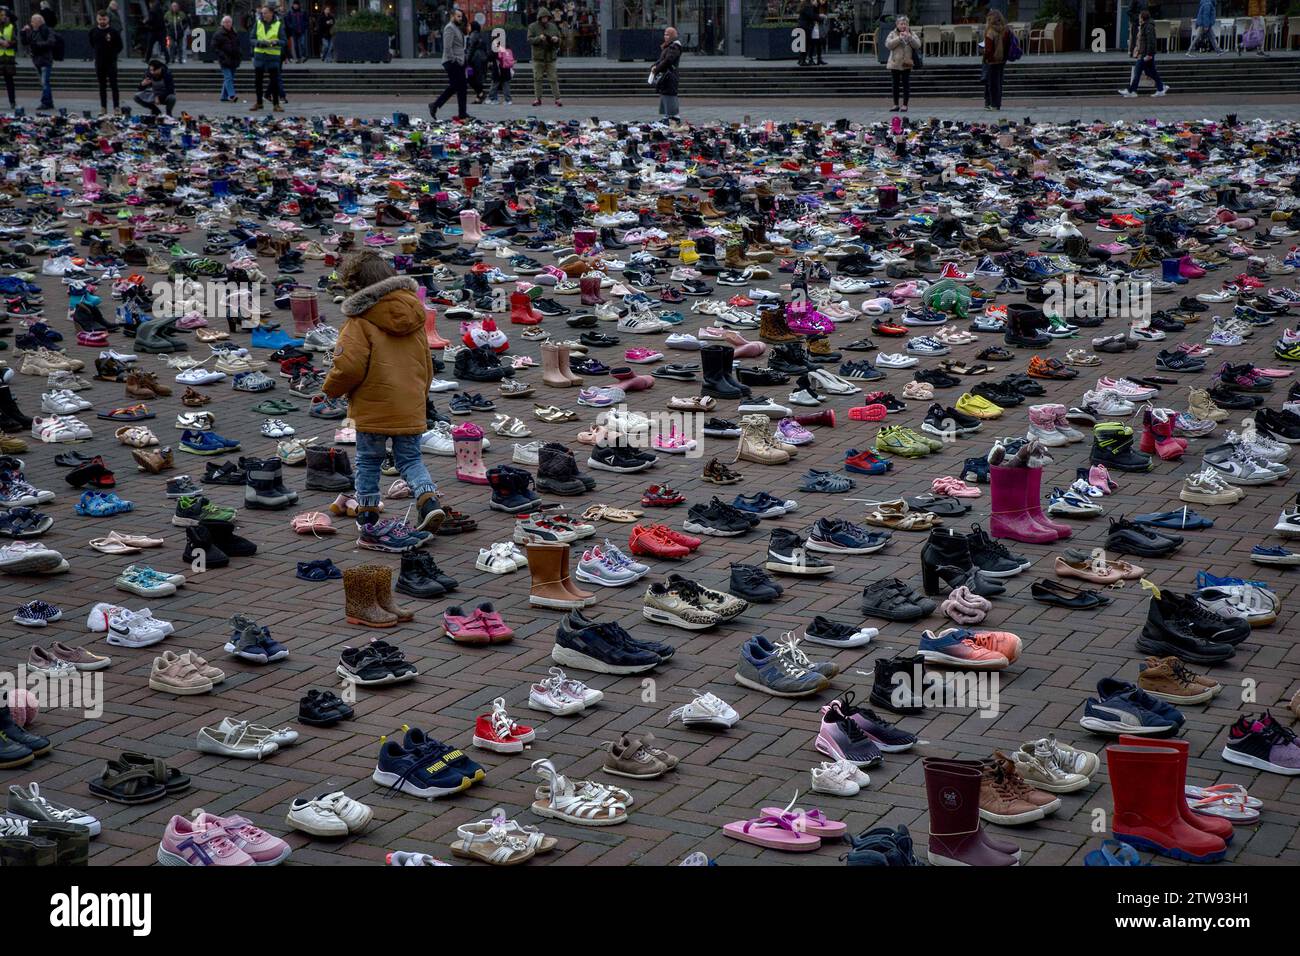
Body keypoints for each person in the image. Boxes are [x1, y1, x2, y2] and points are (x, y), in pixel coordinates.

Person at [321, 252, 445, 538]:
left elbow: (349, 367)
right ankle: (428, 501)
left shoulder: (359, 321)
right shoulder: (414, 314)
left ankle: (367, 513)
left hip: (373, 405)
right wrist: (419, 395)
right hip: (409, 401)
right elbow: (426, 365)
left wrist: (330, 390)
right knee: (410, 459)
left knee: (368, 459)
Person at [428, 7, 467, 120]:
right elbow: (447, 47)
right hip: (452, 62)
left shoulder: (457, 28)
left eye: (461, 16)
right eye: (458, 16)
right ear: (452, 16)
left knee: (461, 87)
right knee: (456, 86)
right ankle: (435, 105)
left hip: (459, 61)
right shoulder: (449, 28)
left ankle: (462, 113)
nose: (460, 18)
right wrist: (454, 60)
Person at [1120, 9, 1166, 96]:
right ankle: (1161, 87)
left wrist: (1148, 54)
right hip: (1144, 53)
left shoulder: (1148, 27)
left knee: (1137, 72)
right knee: (1150, 72)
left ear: (1143, 17)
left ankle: (1131, 91)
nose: (1139, 18)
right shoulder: (1145, 26)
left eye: (1140, 16)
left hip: (1145, 54)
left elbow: (1150, 41)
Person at [250, 4, 285, 112]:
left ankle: (276, 104)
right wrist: (259, 43)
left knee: (274, 81)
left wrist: (276, 42)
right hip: (260, 56)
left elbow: (284, 41)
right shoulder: (258, 23)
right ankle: (259, 102)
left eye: (265, 13)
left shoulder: (278, 24)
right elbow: (252, 38)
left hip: (272, 57)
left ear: (271, 13)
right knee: (258, 81)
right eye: (262, 13)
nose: (263, 15)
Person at [89, 9, 123, 114]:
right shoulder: (93, 31)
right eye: (100, 19)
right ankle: (103, 107)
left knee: (114, 85)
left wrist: (113, 54)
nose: (102, 21)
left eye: (104, 19)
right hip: (99, 63)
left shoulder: (114, 32)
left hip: (111, 62)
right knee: (102, 86)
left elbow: (120, 46)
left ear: (108, 19)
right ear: (97, 19)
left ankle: (116, 107)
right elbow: (92, 44)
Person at [885, 15, 919, 113]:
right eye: (901, 24)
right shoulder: (893, 33)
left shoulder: (911, 33)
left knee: (906, 84)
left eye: (905, 24)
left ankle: (905, 105)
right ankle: (895, 104)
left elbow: (918, 45)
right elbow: (888, 45)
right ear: (897, 25)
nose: (903, 26)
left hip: (906, 63)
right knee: (895, 84)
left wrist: (910, 38)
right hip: (895, 63)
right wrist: (899, 39)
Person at [527, 6, 561, 106]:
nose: (545, 19)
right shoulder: (532, 26)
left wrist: (557, 39)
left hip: (550, 57)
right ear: (539, 18)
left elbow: (559, 40)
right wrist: (539, 38)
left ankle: (557, 99)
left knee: (553, 78)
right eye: (543, 17)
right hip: (538, 57)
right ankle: (538, 99)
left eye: (546, 17)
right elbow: (529, 40)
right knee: (537, 78)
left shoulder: (553, 27)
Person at [22, 13, 54, 111]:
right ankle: (49, 102)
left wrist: (37, 45)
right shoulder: (33, 31)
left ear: (38, 21)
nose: (31, 23)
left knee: (45, 82)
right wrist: (24, 33)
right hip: (37, 60)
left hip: (45, 60)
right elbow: (26, 42)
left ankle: (45, 102)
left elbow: (51, 42)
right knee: (45, 82)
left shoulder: (47, 30)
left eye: (33, 21)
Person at [982, 8, 1011, 111]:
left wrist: (985, 58)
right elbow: (1008, 45)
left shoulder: (990, 31)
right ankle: (997, 104)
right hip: (1002, 60)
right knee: (998, 83)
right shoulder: (1005, 30)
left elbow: (988, 49)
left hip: (992, 60)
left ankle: (993, 105)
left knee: (992, 84)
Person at [650, 25, 681, 120]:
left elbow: (668, 60)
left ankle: (673, 117)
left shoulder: (674, 46)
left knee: (669, 95)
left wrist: (657, 68)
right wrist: (654, 66)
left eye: (667, 35)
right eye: (664, 34)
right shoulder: (668, 46)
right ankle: (667, 116)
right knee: (665, 94)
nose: (665, 36)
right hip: (666, 75)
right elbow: (661, 59)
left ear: (672, 35)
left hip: (669, 75)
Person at [214, 14, 240, 102]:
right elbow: (214, 47)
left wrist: (239, 54)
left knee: (229, 78)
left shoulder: (234, 33)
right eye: (225, 22)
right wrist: (221, 55)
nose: (228, 24)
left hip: (234, 59)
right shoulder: (218, 34)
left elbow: (237, 45)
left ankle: (223, 96)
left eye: (229, 22)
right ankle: (231, 95)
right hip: (224, 59)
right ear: (222, 23)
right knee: (228, 77)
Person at [466, 19, 488, 104]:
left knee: (470, 77)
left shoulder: (473, 35)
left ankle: (481, 93)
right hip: (482, 59)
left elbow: (470, 48)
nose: (468, 28)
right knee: (477, 78)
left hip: (474, 60)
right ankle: (479, 96)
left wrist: (467, 60)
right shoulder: (480, 35)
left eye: (469, 26)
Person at [488, 33, 513, 103]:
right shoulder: (506, 45)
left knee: (495, 84)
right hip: (506, 68)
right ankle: (508, 100)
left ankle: (492, 98)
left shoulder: (496, 46)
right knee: (505, 84)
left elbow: (490, 56)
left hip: (498, 68)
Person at [0, 7, 17, 111]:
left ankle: (12, 101)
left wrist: (8, 43)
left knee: (9, 81)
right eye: (1, 15)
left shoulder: (11, 27)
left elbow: (15, 41)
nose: (3, 17)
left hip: (8, 58)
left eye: (4, 15)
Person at [797, 0, 816, 65]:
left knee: (803, 44)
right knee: (807, 44)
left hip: (801, 26)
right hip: (806, 27)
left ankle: (801, 60)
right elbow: (811, 16)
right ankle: (803, 60)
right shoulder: (808, 6)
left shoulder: (802, 5)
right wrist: (820, 18)